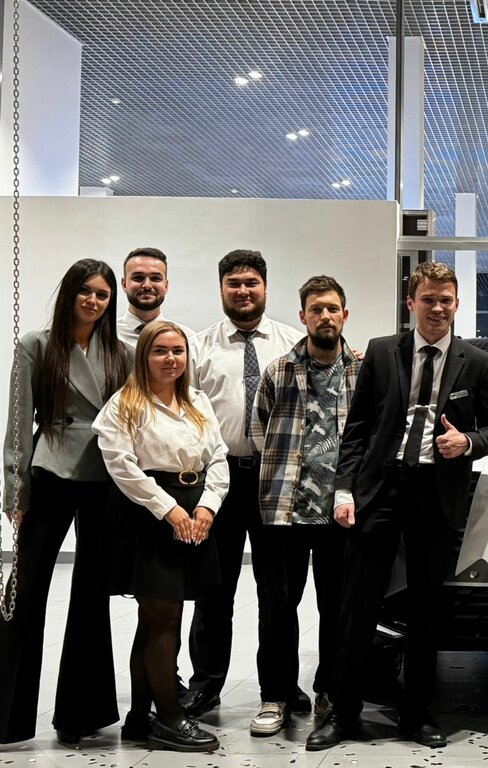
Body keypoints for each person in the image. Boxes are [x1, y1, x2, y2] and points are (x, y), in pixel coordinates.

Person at [306, 261, 488, 751]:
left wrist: (468, 442)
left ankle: (416, 713)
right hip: (380, 489)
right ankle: (343, 712)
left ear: (457, 304)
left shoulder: (477, 362)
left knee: (425, 609)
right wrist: (345, 490)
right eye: (428, 299)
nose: (438, 308)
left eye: (446, 300)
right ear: (412, 302)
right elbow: (357, 429)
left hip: (436, 494)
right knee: (357, 605)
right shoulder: (381, 351)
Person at [0, 259, 131, 745]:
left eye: (102, 294)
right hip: (50, 469)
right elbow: (19, 422)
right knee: (25, 588)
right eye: (85, 291)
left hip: (105, 477)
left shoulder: (121, 353)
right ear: (70, 294)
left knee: (92, 595)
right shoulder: (36, 345)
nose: (93, 301)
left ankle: (82, 715)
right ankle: (7, 715)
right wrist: (15, 490)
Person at [93, 320, 227, 752]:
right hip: (147, 516)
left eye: (178, 351)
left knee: (158, 619)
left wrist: (208, 505)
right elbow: (122, 466)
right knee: (163, 617)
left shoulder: (197, 401)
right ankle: (169, 719)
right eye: (160, 351)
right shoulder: (125, 403)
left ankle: (139, 717)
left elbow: (218, 457)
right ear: (143, 356)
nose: (171, 359)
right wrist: (168, 509)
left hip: (195, 509)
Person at [183, 249, 306, 717]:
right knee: (214, 591)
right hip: (220, 480)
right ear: (221, 289)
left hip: (278, 481)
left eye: (251, 282)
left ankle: (281, 686)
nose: (243, 291)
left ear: (265, 288)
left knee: (279, 593)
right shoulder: (198, 347)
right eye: (233, 283)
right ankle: (206, 684)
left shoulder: (293, 344)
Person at [247, 276, 361, 737]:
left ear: (345, 315)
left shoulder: (364, 371)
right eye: (316, 309)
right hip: (283, 512)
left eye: (332, 308)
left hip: (342, 514)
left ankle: (329, 690)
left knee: (337, 609)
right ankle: (275, 696)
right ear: (303, 317)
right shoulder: (278, 371)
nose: (325, 316)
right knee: (277, 606)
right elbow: (259, 431)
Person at [116, 247, 196, 348]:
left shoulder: (188, 339)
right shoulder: (104, 335)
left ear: (166, 286)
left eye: (155, 278)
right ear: (124, 284)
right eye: (138, 278)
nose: (147, 286)